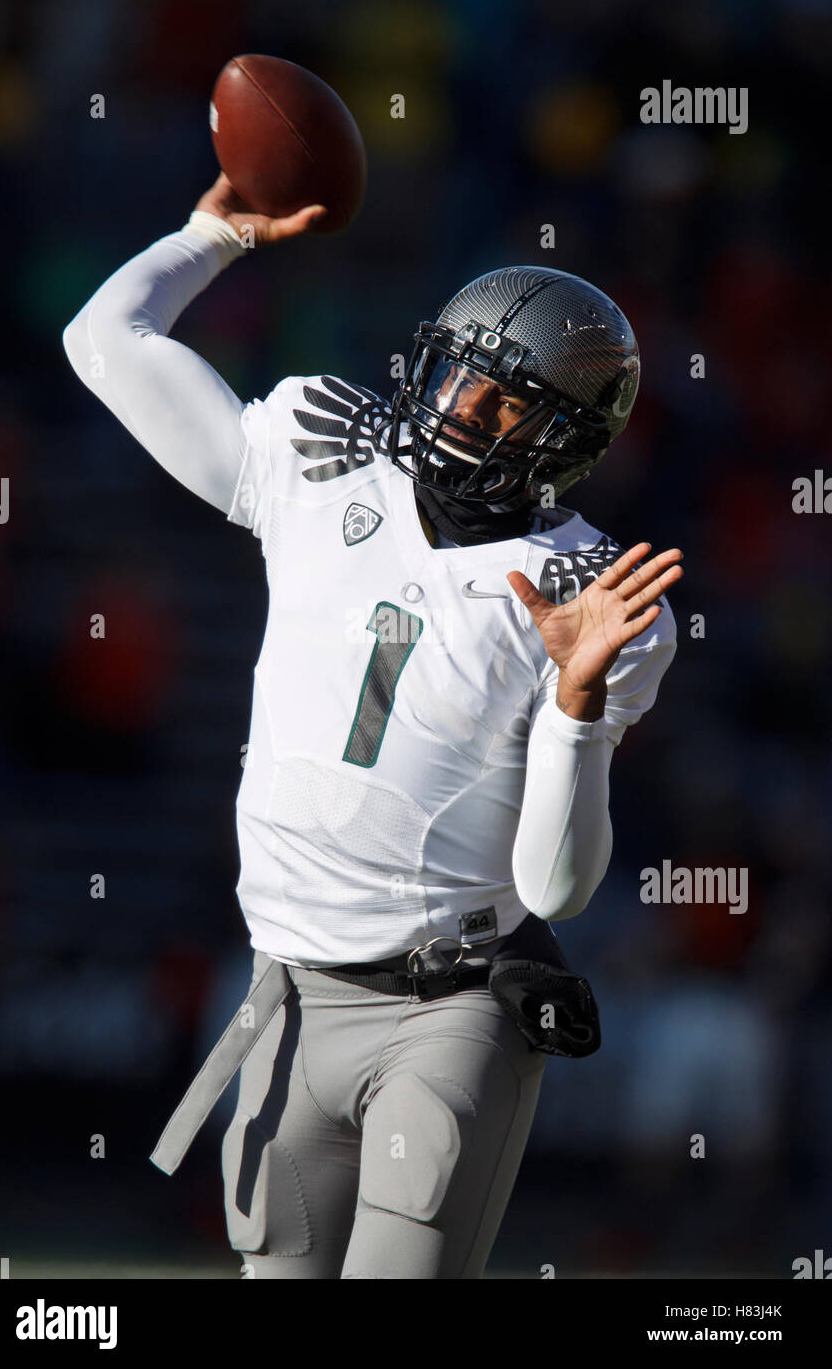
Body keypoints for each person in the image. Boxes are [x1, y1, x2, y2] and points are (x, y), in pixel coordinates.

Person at [62, 172, 682, 1279]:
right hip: (285, 994)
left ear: (567, 439)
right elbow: (104, 335)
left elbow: (555, 891)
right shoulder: (320, 456)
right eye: (454, 375)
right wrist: (217, 233)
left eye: (506, 401)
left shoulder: (587, 592)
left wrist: (577, 703)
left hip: (446, 1007)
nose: (459, 409)